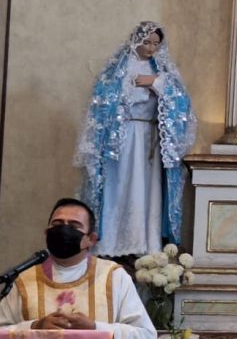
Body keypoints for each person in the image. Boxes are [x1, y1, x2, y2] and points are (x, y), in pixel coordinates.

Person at [0, 198, 157, 339]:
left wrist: (95, 328)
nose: (64, 230)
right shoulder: (24, 280)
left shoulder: (113, 277)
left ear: (91, 239)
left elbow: (144, 337)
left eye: (74, 226)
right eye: (57, 224)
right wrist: (34, 328)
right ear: (46, 233)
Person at [74, 21, 196, 258]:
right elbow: (107, 98)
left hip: (150, 138)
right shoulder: (118, 69)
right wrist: (135, 91)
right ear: (136, 40)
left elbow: (180, 99)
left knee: (147, 189)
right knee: (120, 184)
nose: (150, 48)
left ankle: (145, 241)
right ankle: (112, 243)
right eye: (147, 42)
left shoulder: (160, 69)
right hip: (123, 137)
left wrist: (155, 82)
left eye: (155, 44)